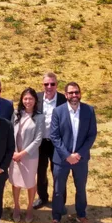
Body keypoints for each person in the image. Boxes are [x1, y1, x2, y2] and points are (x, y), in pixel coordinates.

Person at [48, 82, 97, 223]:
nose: (74, 95)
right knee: (58, 190)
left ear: (80, 93)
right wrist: (67, 155)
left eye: (76, 92)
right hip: (61, 160)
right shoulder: (58, 111)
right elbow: (54, 136)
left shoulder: (88, 110)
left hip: (80, 160)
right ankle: (56, 218)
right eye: (71, 93)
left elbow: (91, 135)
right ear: (66, 95)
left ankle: (81, 215)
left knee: (81, 188)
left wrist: (79, 154)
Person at [9, 87, 43, 223]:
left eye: (30, 99)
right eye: (25, 98)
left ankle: (29, 208)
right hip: (15, 155)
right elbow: (10, 133)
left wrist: (22, 153)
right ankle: (16, 206)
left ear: (35, 101)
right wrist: (13, 152)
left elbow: (38, 139)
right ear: (22, 100)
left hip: (29, 156)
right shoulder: (16, 113)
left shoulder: (39, 117)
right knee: (16, 183)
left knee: (30, 183)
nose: (28, 101)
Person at [33, 71, 67, 209]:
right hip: (40, 143)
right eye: (46, 84)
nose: (49, 86)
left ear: (57, 85)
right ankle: (42, 197)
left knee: (58, 173)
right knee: (40, 172)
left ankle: (60, 202)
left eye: (52, 84)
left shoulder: (63, 100)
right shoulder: (37, 98)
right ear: (42, 85)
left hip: (57, 143)